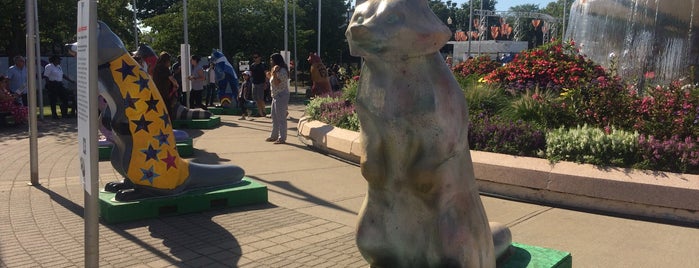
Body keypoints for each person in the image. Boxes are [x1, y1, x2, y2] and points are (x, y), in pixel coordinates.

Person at [265, 53, 290, 144]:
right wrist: (270, 75)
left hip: (281, 95)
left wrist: (274, 73)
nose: (271, 62)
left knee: (281, 118)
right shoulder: (276, 70)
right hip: (275, 95)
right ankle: (274, 136)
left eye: (272, 60)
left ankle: (282, 138)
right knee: (274, 117)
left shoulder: (282, 71)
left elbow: (276, 83)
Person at [153, 52, 180, 118]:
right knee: (168, 109)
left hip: (157, 91)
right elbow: (171, 78)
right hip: (165, 92)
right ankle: (169, 124)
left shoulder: (156, 67)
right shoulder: (164, 68)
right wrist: (176, 85)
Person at [249, 52, 267, 117]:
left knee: (261, 98)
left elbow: (266, 74)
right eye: (254, 57)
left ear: (259, 57)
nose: (255, 59)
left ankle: (264, 111)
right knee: (256, 98)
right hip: (254, 83)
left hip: (261, 83)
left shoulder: (263, 65)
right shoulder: (252, 65)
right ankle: (260, 112)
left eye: (256, 57)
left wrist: (266, 83)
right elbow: (251, 75)